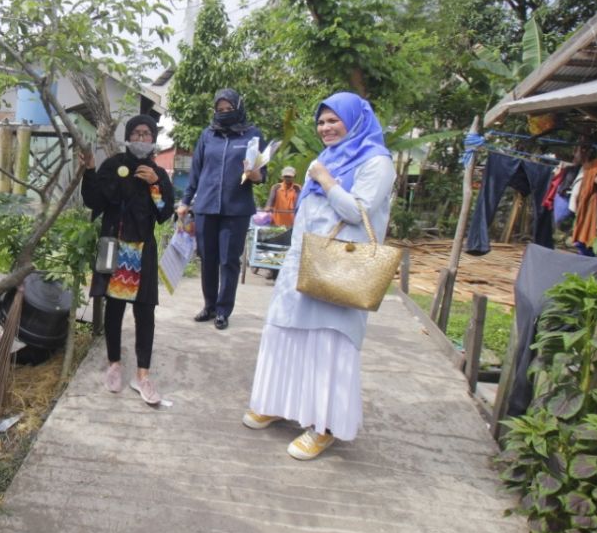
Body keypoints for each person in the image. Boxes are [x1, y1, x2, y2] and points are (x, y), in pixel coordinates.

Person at [242, 92, 396, 460]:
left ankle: (324, 427)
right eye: (321, 122)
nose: (325, 128)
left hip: (341, 269)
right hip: (303, 262)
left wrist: (326, 180)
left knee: (329, 344)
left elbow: (358, 212)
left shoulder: (377, 162)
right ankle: (276, 402)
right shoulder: (326, 157)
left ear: (355, 120)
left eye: (333, 120)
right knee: (285, 332)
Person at [81, 115, 176, 404]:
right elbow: (93, 200)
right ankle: (114, 365)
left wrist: (156, 183)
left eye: (147, 133)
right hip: (114, 247)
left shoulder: (157, 172)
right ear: (128, 136)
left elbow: (163, 214)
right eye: (136, 132)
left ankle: (142, 376)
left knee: (145, 312)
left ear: (153, 139)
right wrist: (90, 169)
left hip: (141, 251)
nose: (141, 138)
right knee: (115, 309)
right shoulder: (114, 165)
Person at [176, 89, 265, 330]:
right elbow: (196, 171)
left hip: (236, 209)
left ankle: (224, 310)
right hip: (205, 206)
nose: (225, 114)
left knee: (229, 261)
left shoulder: (252, 135)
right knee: (208, 259)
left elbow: (260, 174)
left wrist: (255, 174)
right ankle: (209, 305)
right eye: (220, 110)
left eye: (230, 109)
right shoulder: (207, 135)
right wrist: (185, 202)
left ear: (239, 108)